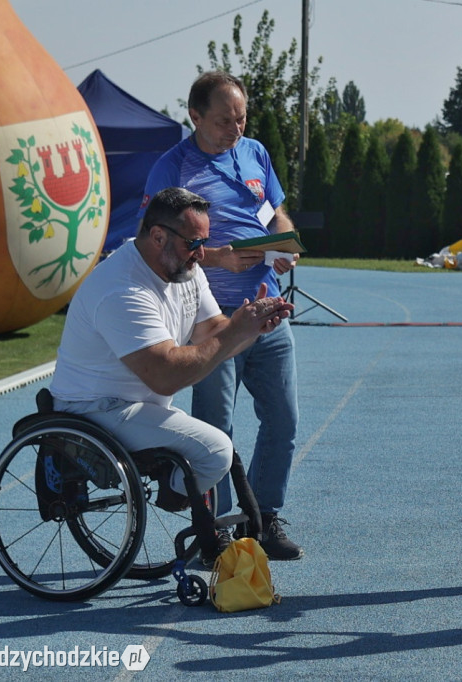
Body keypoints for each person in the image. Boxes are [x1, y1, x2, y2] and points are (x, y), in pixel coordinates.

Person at [49, 187, 292, 564]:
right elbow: (166, 377)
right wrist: (233, 332)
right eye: (194, 242)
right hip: (95, 409)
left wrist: (250, 328)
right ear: (158, 235)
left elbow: (213, 334)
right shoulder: (122, 288)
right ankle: (177, 495)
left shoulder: (184, 269)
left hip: (135, 405)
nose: (201, 253)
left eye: (205, 242)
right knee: (215, 449)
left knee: (216, 449)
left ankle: (185, 498)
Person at [141, 71, 303, 559]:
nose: (237, 127)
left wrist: (283, 243)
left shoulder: (254, 152)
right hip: (212, 319)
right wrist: (217, 257)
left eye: (242, 117)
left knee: (284, 420)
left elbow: (277, 213)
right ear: (194, 117)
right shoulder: (172, 168)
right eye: (224, 120)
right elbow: (151, 245)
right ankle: (219, 531)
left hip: (269, 309)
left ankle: (264, 518)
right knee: (216, 432)